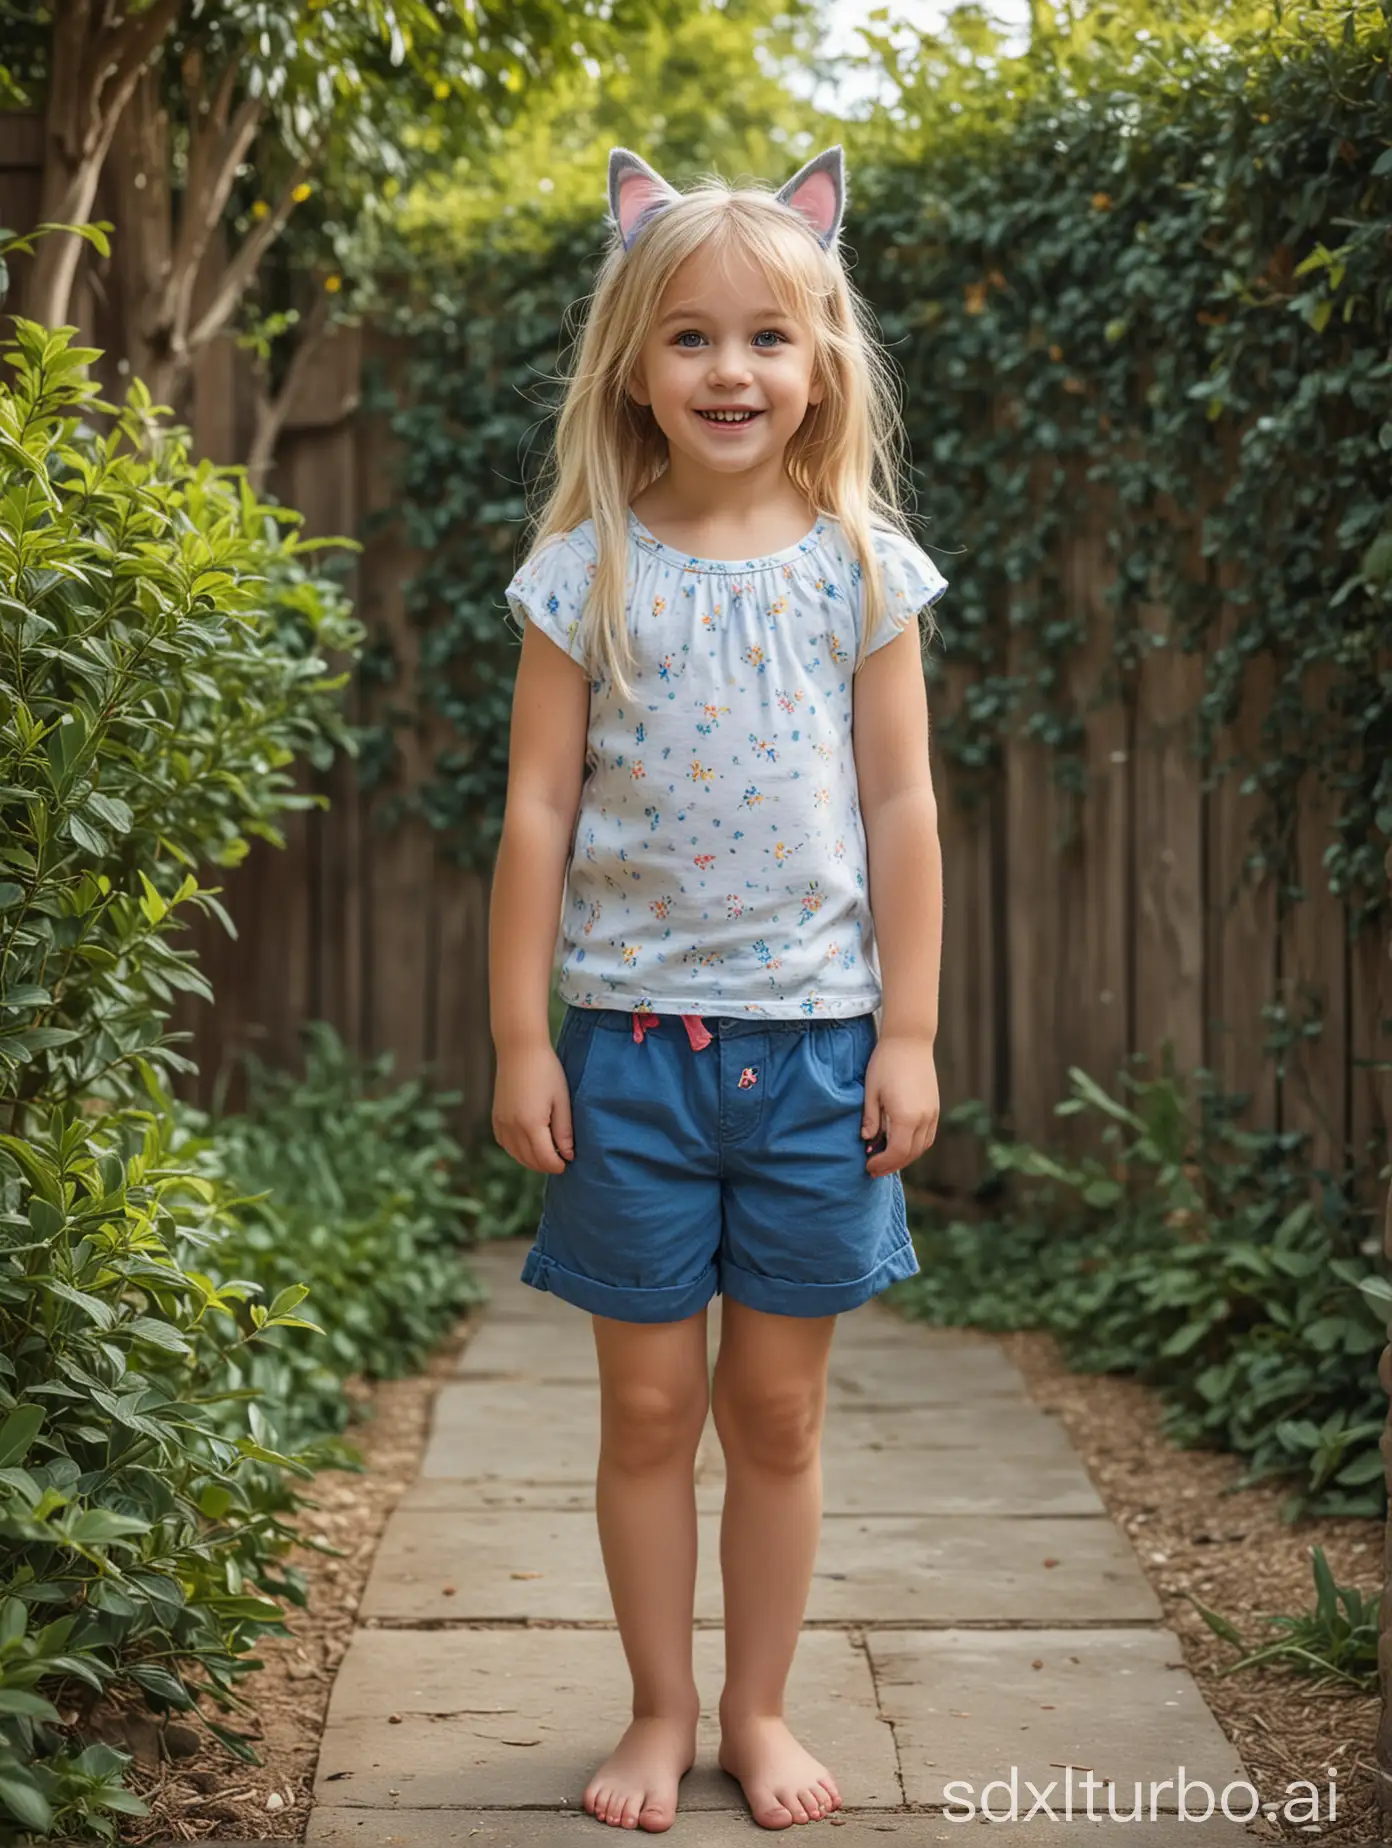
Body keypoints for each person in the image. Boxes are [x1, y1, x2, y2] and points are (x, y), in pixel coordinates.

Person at [489, 142, 948, 1835]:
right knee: (647, 1403)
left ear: (821, 357)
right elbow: (537, 809)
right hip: (627, 1058)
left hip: (820, 1056)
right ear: (630, 360)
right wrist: (519, 1033)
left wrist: (906, 1030)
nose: (730, 369)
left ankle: (757, 1707)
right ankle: (659, 1709)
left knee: (773, 1406)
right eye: (689, 337)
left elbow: (902, 807)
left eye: (767, 337)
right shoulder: (584, 568)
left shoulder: (861, 569)